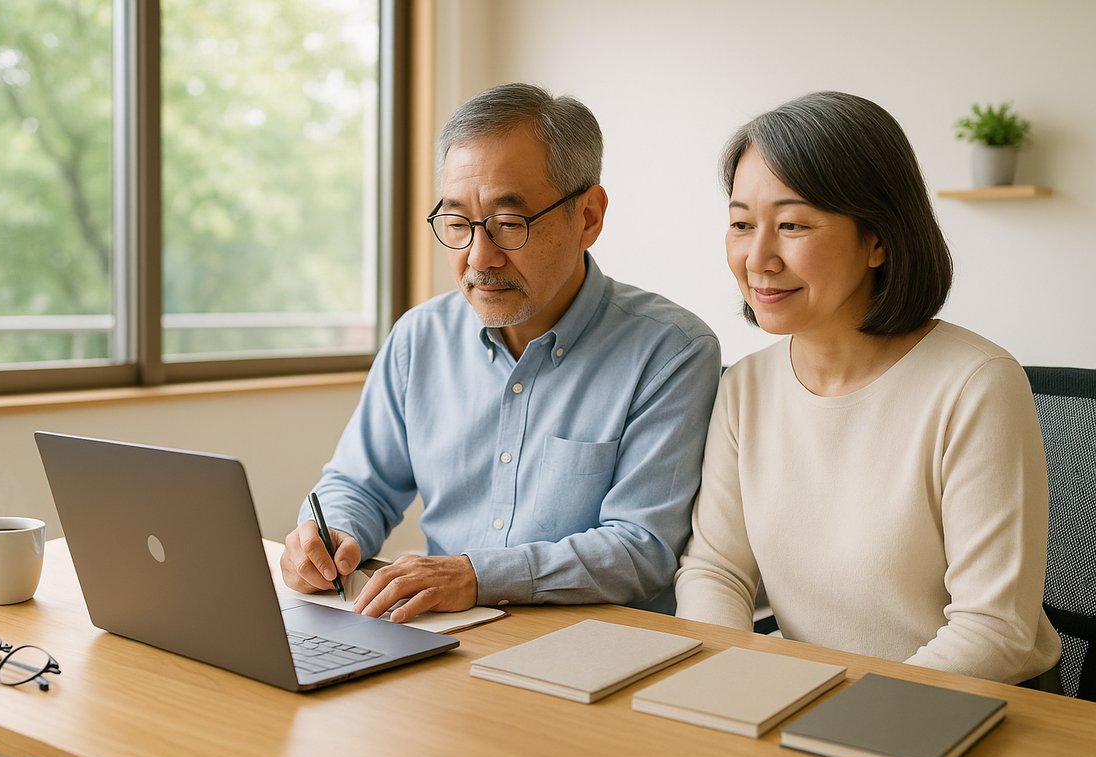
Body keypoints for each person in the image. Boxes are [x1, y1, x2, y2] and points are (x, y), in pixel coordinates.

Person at [281, 83, 721, 621]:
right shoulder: (420, 338)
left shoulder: (670, 352)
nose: (478, 257)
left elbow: (640, 549)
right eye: (457, 223)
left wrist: (475, 576)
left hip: (593, 649)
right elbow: (358, 484)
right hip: (440, 635)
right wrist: (328, 536)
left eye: (509, 224)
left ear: (588, 217)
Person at [674, 90, 1061, 687]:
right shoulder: (746, 387)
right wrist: (729, 682)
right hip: (815, 699)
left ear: (878, 239)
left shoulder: (976, 384)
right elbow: (716, 571)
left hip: (965, 704)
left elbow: (994, 628)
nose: (758, 257)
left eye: (793, 225)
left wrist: (848, 715)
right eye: (742, 224)